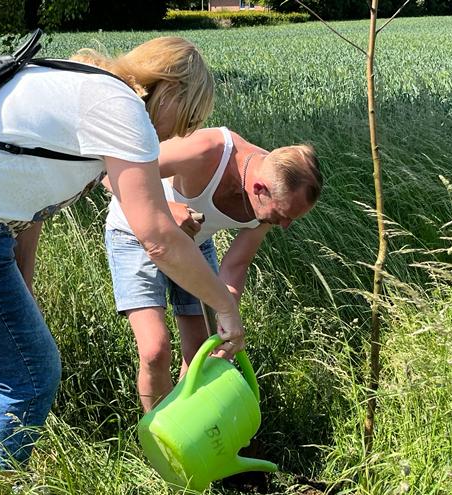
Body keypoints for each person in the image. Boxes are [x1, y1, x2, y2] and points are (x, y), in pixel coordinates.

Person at [0, 37, 245, 491]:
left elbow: (31, 202)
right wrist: (224, 306)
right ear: (169, 90)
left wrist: (23, 288)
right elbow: (158, 237)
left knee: (10, 365)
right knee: (30, 373)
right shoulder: (123, 109)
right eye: (184, 119)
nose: (173, 136)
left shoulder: (88, 87)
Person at [104, 127, 322, 412]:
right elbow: (111, 173)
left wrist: (226, 320)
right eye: (282, 216)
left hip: (194, 243)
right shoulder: (208, 151)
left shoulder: (275, 187)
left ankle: (182, 424)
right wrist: (164, 209)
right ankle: (156, 435)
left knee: (202, 351)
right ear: (259, 190)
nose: (284, 226)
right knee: (155, 350)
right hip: (135, 235)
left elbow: (236, 264)